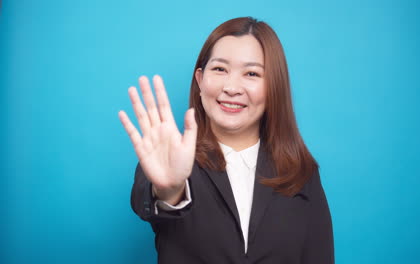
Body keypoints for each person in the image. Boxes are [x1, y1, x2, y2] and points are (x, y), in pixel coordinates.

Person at [118, 17, 334, 264]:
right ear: (200, 80)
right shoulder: (170, 159)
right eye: (220, 69)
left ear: (273, 87)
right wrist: (170, 190)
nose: (232, 87)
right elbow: (149, 201)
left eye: (252, 73)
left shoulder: (301, 173)